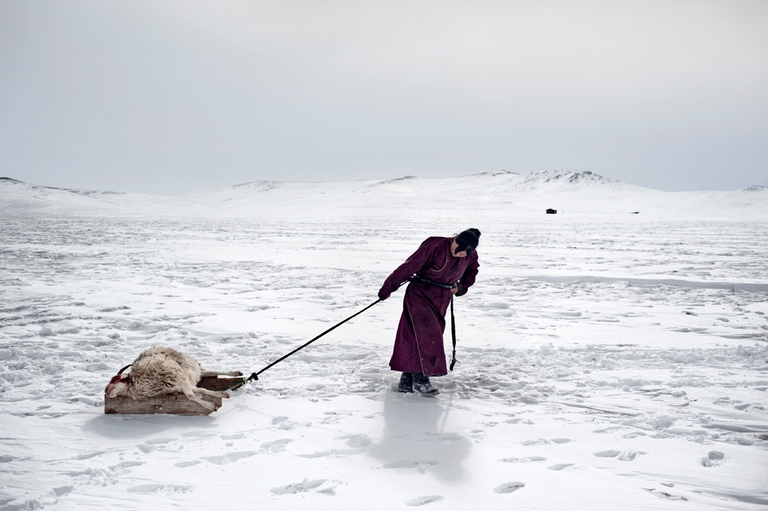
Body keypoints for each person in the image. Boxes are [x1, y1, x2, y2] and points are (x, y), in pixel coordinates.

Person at [378, 228, 481, 396]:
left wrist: (461, 287)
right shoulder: (435, 245)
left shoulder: (470, 255)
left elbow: (472, 271)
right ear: (455, 240)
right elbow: (409, 266)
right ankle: (421, 379)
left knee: (416, 336)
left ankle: (406, 380)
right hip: (420, 294)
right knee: (428, 335)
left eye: (464, 255)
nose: (460, 255)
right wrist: (388, 288)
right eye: (458, 251)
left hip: (442, 298)